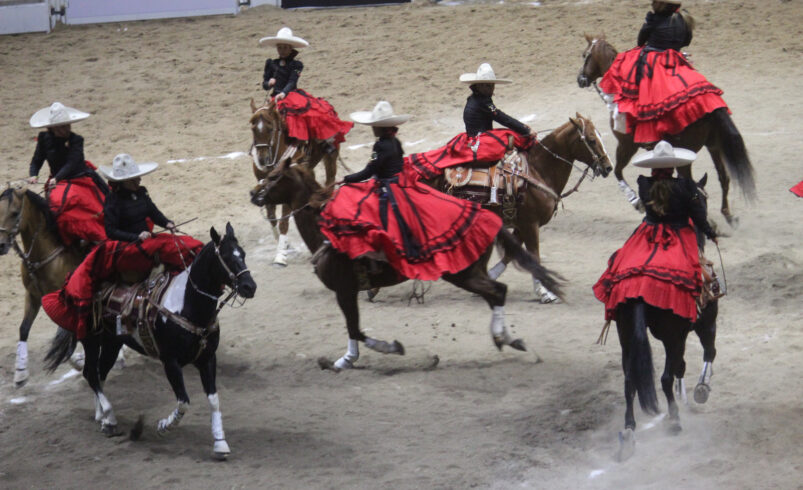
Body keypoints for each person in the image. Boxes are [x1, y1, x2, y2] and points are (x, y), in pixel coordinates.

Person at [319, 101, 502, 281]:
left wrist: (347, 179)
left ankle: (373, 258)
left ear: (379, 128)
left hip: (387, 187)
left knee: (356, 205)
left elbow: (369, 171)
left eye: (374, 126)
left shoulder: (380, 146)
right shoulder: (395, 142)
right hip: (402, 183)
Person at [42, 154, 203, 340]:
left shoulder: (141, 193)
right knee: (165, 247)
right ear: (125, 182)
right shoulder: (113, 201)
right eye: (134, 178)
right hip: (126, 247)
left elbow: (153, 212)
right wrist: (135, 237)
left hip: (146, 242)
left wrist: (167, 223)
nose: (139, 179)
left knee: (181, 243)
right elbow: (110, 231)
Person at [593, 141, 716, 322]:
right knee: (698, 270)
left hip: (648, 232)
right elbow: (697, 214)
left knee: (622, 261)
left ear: (653, 167)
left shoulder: (644, 184)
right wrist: (710, 233)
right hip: (679, 234)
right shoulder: (686, 186)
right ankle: (698, 305)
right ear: (673, 166)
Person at [599, 1, 728, 143]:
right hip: (675, 57)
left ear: (661, 5)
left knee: (626, 71)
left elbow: (640, 41)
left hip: (654, 60)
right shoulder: (684, 19)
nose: (652, 4)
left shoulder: (654, 19)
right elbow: (686, 41)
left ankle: (637, 127)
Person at [404, 63, 534, 182]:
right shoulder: (483, 102)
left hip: (474, 137)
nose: (491, 89)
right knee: (514, 137)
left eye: (492, 85)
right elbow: (501, 117)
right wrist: (525, 129)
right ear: (480, 86)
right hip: (480, 140)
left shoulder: (476, 98)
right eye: (488, 85)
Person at [259, 27, 353, 152]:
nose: (282, 50)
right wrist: (269, 83)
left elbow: (292, 82)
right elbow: (265, 85)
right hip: (275, 97)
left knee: (309, 113)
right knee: (261, 120)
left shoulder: (296, 65)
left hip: (290, 95)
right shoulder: (271, 64)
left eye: (285, 47)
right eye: (280, 47)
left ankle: (320, 141)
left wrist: (283, 93)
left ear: (290, 48)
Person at [28, 102, 109, 246]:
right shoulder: (44, 139)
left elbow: (72, 163)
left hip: (78, 177)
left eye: (67, 125)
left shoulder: (76, 140)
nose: (66, 129)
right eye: (62, 126)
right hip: (58, 181)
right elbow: (37, 160)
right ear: (53, 128)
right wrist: (33, 174)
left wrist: (57, 177)